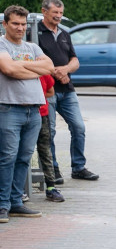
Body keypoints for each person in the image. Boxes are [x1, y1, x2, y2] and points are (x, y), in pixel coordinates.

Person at [0, 4, 53, 224]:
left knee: (24, 158)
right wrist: (32, 68)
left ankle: (16, 203)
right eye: (15, 23)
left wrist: (21, 65)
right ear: (5, 24)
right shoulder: (1, 45)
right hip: (9, 108)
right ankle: (2, 205)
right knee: (7, 158)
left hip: (34, 110)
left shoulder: (32, 47)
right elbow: (9, 70)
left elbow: (49, 67)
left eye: (23, 24)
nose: (21, 28)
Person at [36, 0, 98, 181]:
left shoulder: (64, 33)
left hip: (67, 89)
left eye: (61, 13)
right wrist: (55, 72)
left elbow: (75, 60)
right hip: (48, 90)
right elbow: (36, 61)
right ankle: (53, 170)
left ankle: (78, 167)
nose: (58, 16)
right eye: (55, 13)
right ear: (44, 11)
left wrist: (66, 70)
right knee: (51, 131)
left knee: (79, 127)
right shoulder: (35, 33)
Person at [37, 73, 63, 202]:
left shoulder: (43, 72)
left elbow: (50, 92)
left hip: (42, 115)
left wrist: (37, 99)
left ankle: (51, 187)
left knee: (45, 151)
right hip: (22, 115)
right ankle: (19, 191)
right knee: (21, 153)